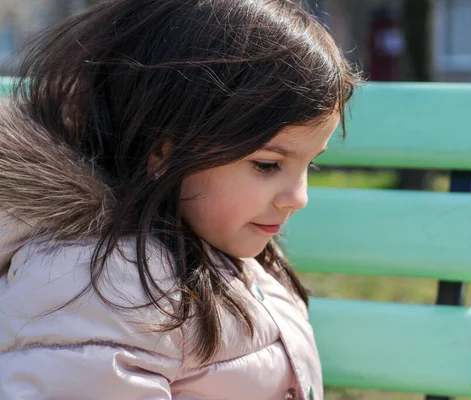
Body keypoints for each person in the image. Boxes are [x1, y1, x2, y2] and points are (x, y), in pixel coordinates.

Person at [0, 0, 360, 398]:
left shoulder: (220, 248)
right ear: (164, 151)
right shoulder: (102, 284)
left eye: (312, 164)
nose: (299, 198)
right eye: (267, 164)